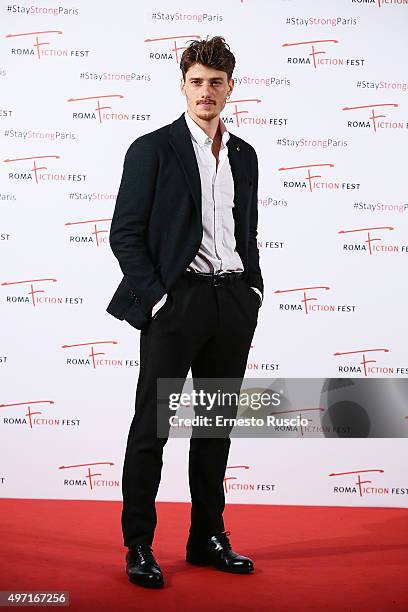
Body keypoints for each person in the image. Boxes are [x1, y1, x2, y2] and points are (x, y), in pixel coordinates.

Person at [107, 36, 264, 589]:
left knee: (215, 427)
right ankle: (139, 545)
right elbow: (124, 233)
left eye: (216, 83)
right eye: (197, 81)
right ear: (183, 84)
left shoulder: (244, 155)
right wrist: (158, 299)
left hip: (231, 302)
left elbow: (245, 231)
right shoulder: (151, 148)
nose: (206, 92)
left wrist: (254, 290)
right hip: (177, 304)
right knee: (153, 427)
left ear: (229, 88)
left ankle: (206, 537)